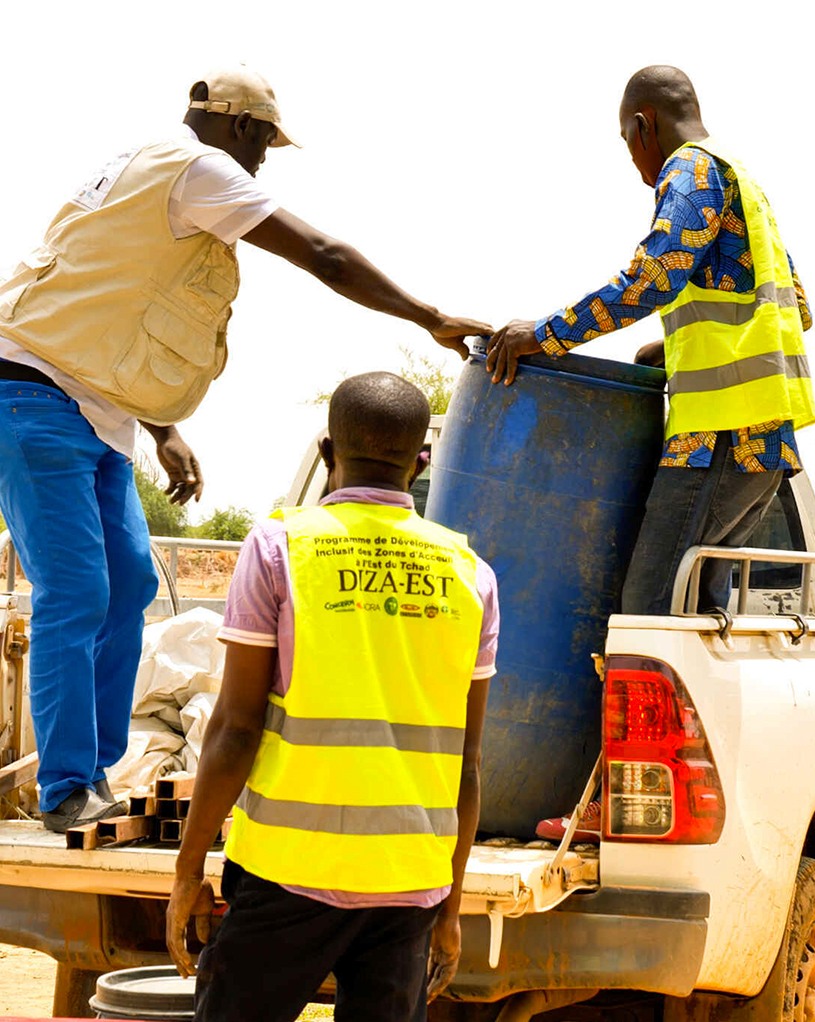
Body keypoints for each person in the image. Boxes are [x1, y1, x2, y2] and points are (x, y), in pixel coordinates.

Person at [0, 66, 490, 832]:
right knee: (77, 592)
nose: (262, 163)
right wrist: (429, 317)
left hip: (94, 408)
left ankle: (90, 772)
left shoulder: (148, 168)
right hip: (32, 395)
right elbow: (323, 254)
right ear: (243, 128)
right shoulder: (202, 168)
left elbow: (110, 299)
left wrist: (163, 427)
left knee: (127, 585)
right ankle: (67, 786)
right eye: (264, 143)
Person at [165, 371, 499, 1022]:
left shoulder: (279, 548)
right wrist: (450, 906)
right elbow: (468, 762)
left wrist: (186, 870)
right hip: (409, 881)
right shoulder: (471, 576)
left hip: (289, 869)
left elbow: (235, 728)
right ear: (421, 459)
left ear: (327, 453)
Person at [485, 64, 815, 619]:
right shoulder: (743, 181)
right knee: (696, 614)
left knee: (649, 610)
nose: (634, 162)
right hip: (767, 443)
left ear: (644, 125)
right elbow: (794, 308)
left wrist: (542, 335)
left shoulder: (688, 172)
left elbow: (649, 282)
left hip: (718, 436)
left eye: (626, 142)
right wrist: (672, 346)